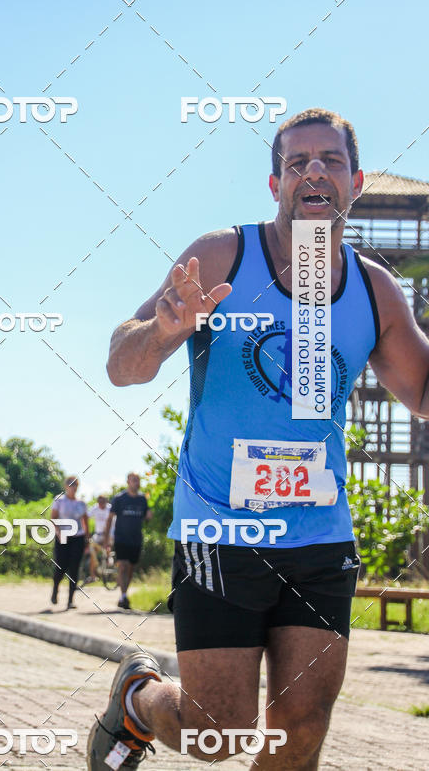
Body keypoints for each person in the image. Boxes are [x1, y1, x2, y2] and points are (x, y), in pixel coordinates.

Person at [88, 107, 429, 769]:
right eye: (296, 162)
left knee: (302, 727)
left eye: (329, 160)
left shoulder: (374, 289)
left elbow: (421, 392)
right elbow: (120, 365)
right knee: (221, 736)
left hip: (321, 533)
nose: (313, 172)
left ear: (354, 182)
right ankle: (138, 696)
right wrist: (163, 331)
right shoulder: (221, 255)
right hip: (221, 527)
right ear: (275, 185)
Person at [104, 473, 151, 609]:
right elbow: (110, 519)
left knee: (130, 568)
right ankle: (123, 596)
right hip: (121, 538)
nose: (136, 483)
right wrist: (107, 539)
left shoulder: (142, 499)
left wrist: (149, 515)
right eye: (134, 480)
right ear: (128, 482)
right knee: (123, 565)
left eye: (138, 480)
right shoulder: (119, 499)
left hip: (136, 539)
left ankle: (124, 594)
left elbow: (146, 515)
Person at [50, 476, 88, 609]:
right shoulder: (59, 501)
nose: (74, 487)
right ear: (66, 486)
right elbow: (53, 518)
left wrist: (86, 540)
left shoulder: (81, 503)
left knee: (74, 568)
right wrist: (59, 533)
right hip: (63, 536)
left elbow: (85, 521)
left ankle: (70, 600)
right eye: (71, 484)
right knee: (61, 566)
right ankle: (55, 589)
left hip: (78, 537)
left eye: (76, 484)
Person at [88, 495, 113, 581]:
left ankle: (108, 557)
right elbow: (86, 516)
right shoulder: (95, 508)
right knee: (92, 551)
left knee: (108, 544)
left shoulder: (110, 509)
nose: (101, 504)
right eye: (99, 502)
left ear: (106, 502)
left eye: (103, 502)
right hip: (98, 534)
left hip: (109, 534)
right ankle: (93, 576)